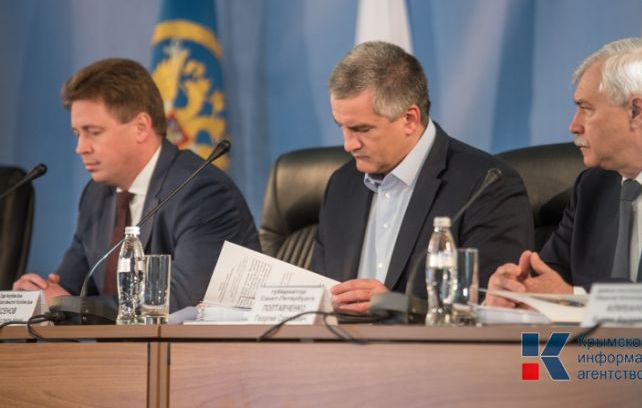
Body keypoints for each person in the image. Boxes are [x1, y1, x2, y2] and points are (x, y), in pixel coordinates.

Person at [487, 38, 642, 306]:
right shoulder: (593, 186)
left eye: (586, 109)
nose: (573, 126)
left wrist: (577, 299)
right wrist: (515, 290)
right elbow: (548, 279)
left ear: (636, 111)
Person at [13, 58, 260, 311]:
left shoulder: (201, 192)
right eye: (77, 133)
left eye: (93, 132)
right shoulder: (96, 195)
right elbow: (69, 288)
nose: (81, 147)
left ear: (141, 127)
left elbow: (181, 302)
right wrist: (35, 297)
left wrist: (69, 305)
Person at [311, 41, 533, 314]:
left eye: (362, 129)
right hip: (339, 340)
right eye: (342, 127)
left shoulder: (486, 185)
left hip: (428, 342)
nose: (348, 144)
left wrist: (399, 307)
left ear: (410, 119)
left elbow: (494, 307)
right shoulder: (342, 184)